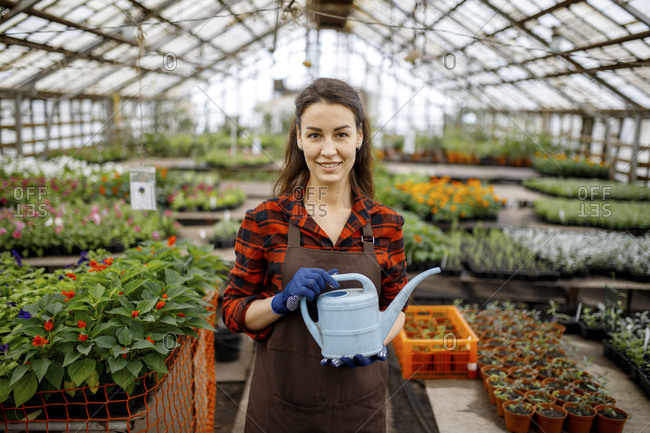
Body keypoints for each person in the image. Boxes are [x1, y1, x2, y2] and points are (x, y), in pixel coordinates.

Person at [222, 78, 408, 433]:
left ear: (359, 136)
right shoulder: (265, 220)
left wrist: (373, 341)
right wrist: (279, 302)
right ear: (298, 138)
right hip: (283, 407)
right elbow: (232, 310)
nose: (328, 150)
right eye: (315, 135)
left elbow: (397, 307)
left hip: (360, 406)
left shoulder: (385, 224)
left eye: (340, 134)